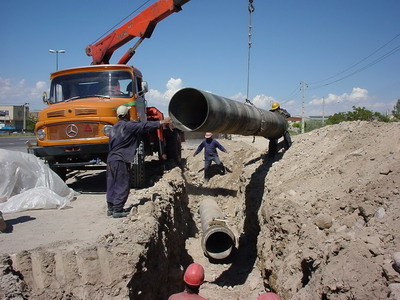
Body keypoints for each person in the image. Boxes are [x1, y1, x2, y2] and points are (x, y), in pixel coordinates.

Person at [106, 105, 171, 218]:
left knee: (112, 183)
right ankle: (118, 210)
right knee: (122, 183)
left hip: (111, 159)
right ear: (127, 115)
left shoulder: (114, 127)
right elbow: (144, 126)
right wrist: (161, 122)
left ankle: (111, 208)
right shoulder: (128, 126)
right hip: (120, 159)